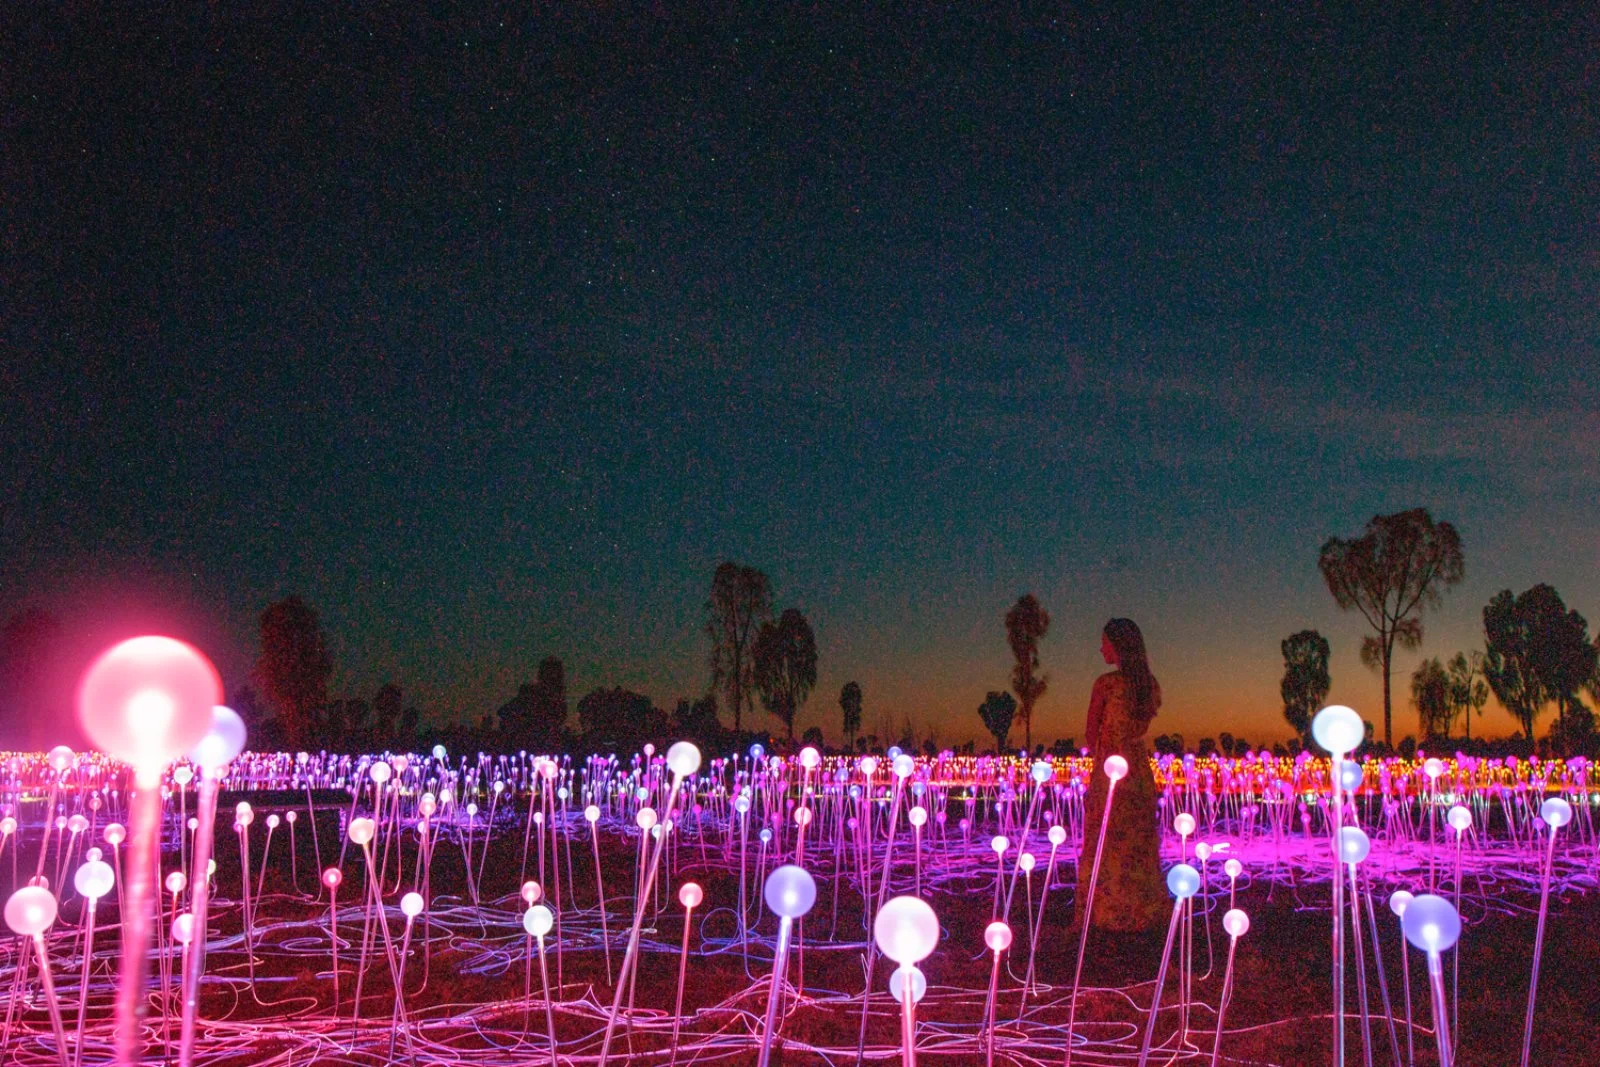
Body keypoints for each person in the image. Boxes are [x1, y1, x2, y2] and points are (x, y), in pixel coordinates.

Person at [1076, 617, 1167, 932]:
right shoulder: (1149, 684)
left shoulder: (1106, 684)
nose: (1101, 648)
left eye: (1105, 642)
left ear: (1119, 645)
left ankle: (1104, 912)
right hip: (1138, 772)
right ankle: (1140, 911)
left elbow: (1091, 732)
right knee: (1135, 843)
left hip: (1110, 771)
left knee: (1107, 840)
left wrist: (1101, 761)